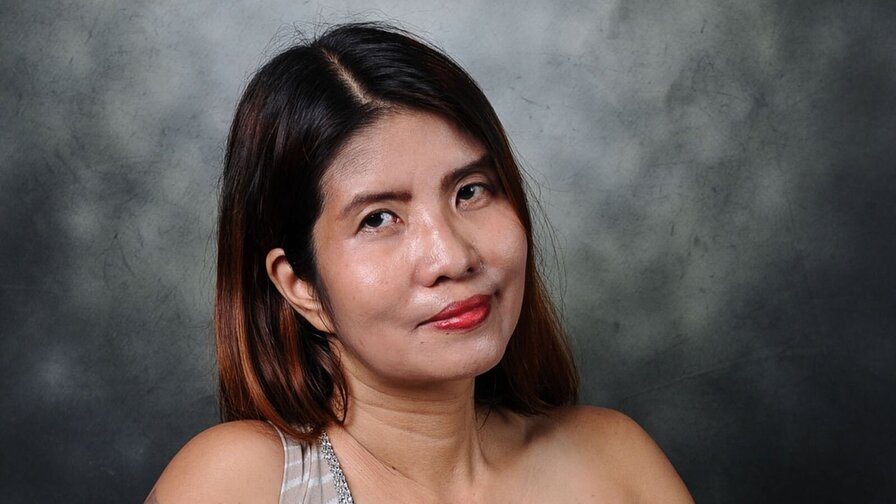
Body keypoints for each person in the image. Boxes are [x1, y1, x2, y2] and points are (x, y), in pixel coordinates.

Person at [147, 22, 693, 503]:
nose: (453, 257)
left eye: (470, 190)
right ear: (300, 286)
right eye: (379, 219)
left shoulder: (614, 460)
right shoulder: (238, 482)